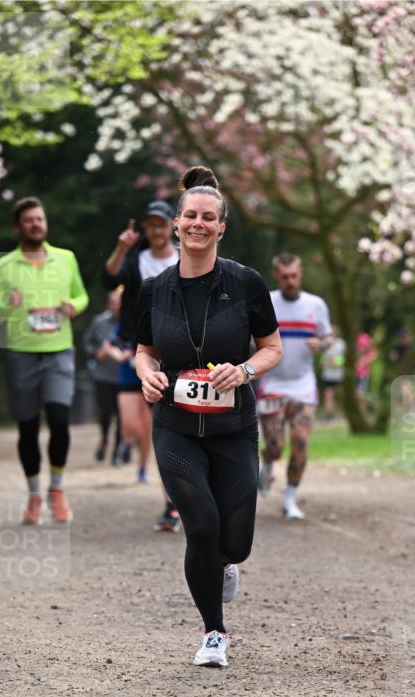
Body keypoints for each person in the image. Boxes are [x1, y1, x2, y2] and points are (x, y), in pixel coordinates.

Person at [135, 165, 282, 667]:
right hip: (176, 426)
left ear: (221, 227)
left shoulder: (245, 284)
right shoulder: (154, 289)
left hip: (233, 428)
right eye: (189, 216)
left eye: (208, 218)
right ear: (176, 224)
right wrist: (147, 373)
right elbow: (143, 350)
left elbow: (272, 349)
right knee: (200, 526)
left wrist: (243, 370)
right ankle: (214, 633)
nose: (197, 224)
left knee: (234, 543)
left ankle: (224, 565)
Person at [0, 197, 88, 523]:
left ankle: (56, 491)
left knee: (58, 419)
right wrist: (6, 306)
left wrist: (74, 305)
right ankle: (33, 496)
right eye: (29, 220)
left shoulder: (65, 258)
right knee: (27, 428)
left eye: (40, 219)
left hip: (59, 351)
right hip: (22, 354)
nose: (36, 224)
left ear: (45, 223)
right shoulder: (5, 267)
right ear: (18, 227)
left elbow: (82, 295)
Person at [105, 200, 181, 530]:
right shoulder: (136, 259)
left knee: (167, 433)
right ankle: (133, 450)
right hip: (136, 349)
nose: (157, 230)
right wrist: (121, 248)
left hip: (173, 355)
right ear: (146, 230)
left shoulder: (185, 258)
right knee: (134, 426)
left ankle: (171, 506)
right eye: (151, 225)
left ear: (172, 226)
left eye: (162, 224)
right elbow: (108, 280)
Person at [256, 252, 332, 520]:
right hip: (272, 382)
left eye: (294, 276)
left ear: (301, 274)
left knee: (300, 441)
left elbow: (327, 337)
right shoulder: (267, 302)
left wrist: (321, 344)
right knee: (275, 445)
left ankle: (289, 499)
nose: (290, 281)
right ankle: (267, 463)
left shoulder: (315, 305)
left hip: (303, 384)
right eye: (285, 276)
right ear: (277, 276)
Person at [83, 288, 124, 463]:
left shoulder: (131, 322)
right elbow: (86, 344)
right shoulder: (99, 322)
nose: (115, 305)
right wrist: (96, 353)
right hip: (103, 376)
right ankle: (104, 439)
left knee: (123, 415)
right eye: (113, 301)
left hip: (124, 377)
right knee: (106, 412)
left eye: (119, 301)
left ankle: (118, 450)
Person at [320, 328, 345, 418]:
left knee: (329, 394)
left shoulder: (341, 344)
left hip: (336, 374)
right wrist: (325, 362)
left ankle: (330, 413)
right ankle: (329, 413)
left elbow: (343, 359)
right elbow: (323, 359)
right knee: (328, 394)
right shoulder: (325, 343)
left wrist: (332, 361)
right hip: (327, 374)